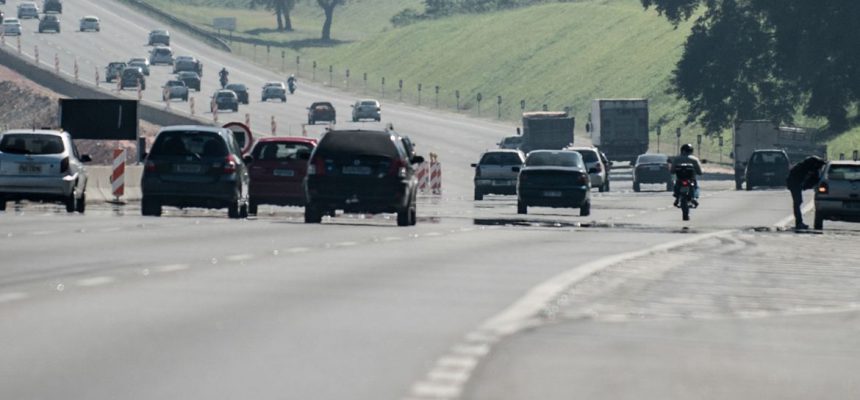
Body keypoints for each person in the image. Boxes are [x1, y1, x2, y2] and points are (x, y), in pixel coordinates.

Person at [786, 155, 826, 229]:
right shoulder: (804, 168)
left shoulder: (805, 167)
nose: (819, 169)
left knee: (798, 203)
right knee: (797, 202)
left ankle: (799, 222)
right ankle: (799, 223)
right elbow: (809, 180)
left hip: (794, 184)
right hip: (794, 184)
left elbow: (811, 181)